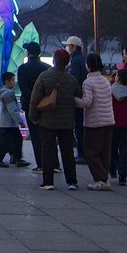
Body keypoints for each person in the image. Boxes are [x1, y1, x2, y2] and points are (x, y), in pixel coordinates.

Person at [29, 48, 82, 191]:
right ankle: (72, 181)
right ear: (67, 62)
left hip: (48, 121)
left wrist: (33, 116)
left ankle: (48, 181)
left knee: (48, 150)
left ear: (54, 60)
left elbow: (35, 98)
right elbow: (78, 94)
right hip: (66, 122)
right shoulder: (71, 79)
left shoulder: (44, 76)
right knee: (67, 151)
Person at [79, 53, 114, 190]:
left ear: (88, 66)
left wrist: (74, 100)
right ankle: (105, 179)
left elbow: (87, 102)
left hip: (94, 122)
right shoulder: (105, 80)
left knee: (91, 152)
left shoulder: (88, 82)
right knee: (105, 152)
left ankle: (100, 179)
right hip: (108, 120)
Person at [17, 42, 51, 172]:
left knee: (36, 136)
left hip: (30, 105)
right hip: (46, 105)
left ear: (28, 52)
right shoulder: (47, 68)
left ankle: (41, 164)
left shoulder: (23, 69)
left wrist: (33, 101)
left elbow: (24, 88)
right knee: (48, 135)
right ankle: (53, 164)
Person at [0, 72, 28, 167]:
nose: (14, 82)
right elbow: (12, 109)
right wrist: (20, 121)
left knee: (9, 140)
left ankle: (12, 158)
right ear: (7, 81)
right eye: (12, 80)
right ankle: (8, 159)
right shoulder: (8, 94)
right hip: (9, 122)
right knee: (13, 140)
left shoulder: (2, 92)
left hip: (5, 121)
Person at [63, 36, 86, 161]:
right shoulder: (81, 59)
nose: (67, 48)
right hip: (81, 96)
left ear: (74, 47)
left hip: (77, 97)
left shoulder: (75, 61)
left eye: (68, 46)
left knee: (79, 127)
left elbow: (73, 80)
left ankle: (81, 153)